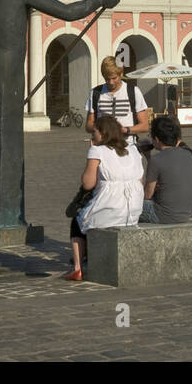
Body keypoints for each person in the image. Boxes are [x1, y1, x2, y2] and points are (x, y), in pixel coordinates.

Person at [65, 114, 145, 280]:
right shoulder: (133, 149)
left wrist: (91, 151)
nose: (92, 135)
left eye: (94, 132)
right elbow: (139, 180)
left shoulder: (97, 150)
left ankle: (78, 268)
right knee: (86, 217)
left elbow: (88, 183)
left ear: (102, 133)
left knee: (77, 221)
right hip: (133, 209)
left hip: (110, 207)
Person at [140, 115, 192, 223]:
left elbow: (147, 195)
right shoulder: (188, 154)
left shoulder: (156, 160)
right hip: (187, 212)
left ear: (157, 139)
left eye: (151, 136)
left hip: (164, 215)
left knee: (128, 205)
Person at [85, 56, 150, 145]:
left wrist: (125, 130)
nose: (111, 82)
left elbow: (145, 126)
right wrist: (101, 129)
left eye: (114, 78)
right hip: (103, 147)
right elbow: (88, 125)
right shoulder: (95, 93)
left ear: (121, 74)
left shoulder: (133, 91)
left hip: (127, 146)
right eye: (107, 79)